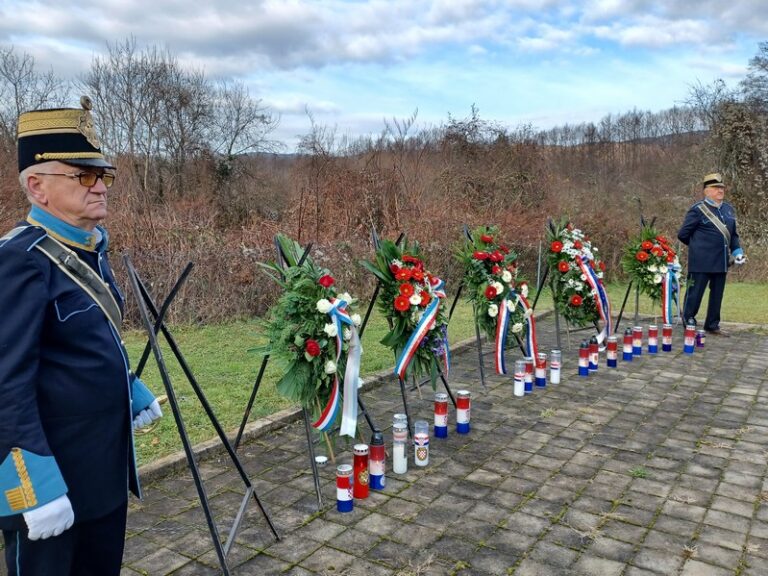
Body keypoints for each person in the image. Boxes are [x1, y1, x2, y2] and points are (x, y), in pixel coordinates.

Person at [0, 97, 162, 575]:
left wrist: (127, 387)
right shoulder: (20, 260)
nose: (99, 187)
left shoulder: (88, 247)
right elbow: (6, 383)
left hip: (102, 473)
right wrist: (37, 489)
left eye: (102, 176)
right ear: (37, 186)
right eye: (83, 176)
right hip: (54, 484)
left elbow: (78, 344)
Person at [678, 172, 746, 337]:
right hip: (701, 262)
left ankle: (712, 324)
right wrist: (698, 248)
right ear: (706, 190)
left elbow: (733, 235)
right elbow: (683, 234)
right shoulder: (697, 210)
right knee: (695, 294)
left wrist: (738, 252)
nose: (720, 190)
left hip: (722, 261)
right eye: (716, 187)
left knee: (717, 296)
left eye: (721, 187)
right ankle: (689, 321)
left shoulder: (728, 209)